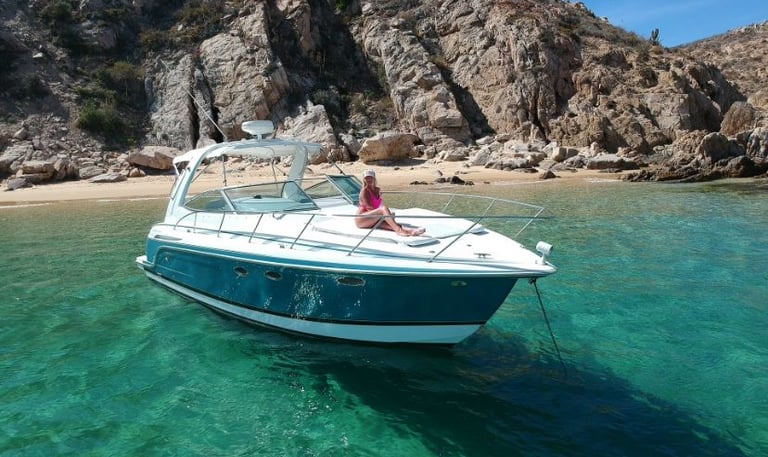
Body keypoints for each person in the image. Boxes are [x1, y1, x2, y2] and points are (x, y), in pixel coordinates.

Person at [355, 169, 425, 236]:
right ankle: (399, 231)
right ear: (364, 180)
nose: (369, 179)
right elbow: (369, 208)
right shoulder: (364, 191)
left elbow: (376, 207)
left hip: (371, 218)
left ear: (374, 178)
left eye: (370, 177)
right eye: (366, 178)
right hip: (362, 219)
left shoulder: (377, 190)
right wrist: (384, 216)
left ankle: (410, 231)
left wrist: (387, 216)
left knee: (391, 223)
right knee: (384, 210)